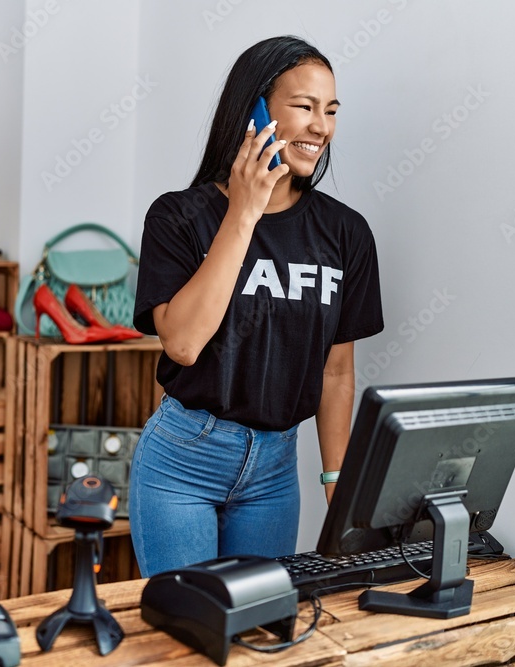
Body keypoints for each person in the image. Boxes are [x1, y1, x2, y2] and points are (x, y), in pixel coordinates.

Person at [129, 36, 384, 577]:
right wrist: (245, 212)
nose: (322, 127)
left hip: (275, 471)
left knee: (259, 640)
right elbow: (183, 342)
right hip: (183, 462)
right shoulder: (177, 218)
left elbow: (337, 373)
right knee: (186, 637)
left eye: (331, 111)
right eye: (304, 107)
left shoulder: (346, 234)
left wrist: (339, 485)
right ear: (254, 109)